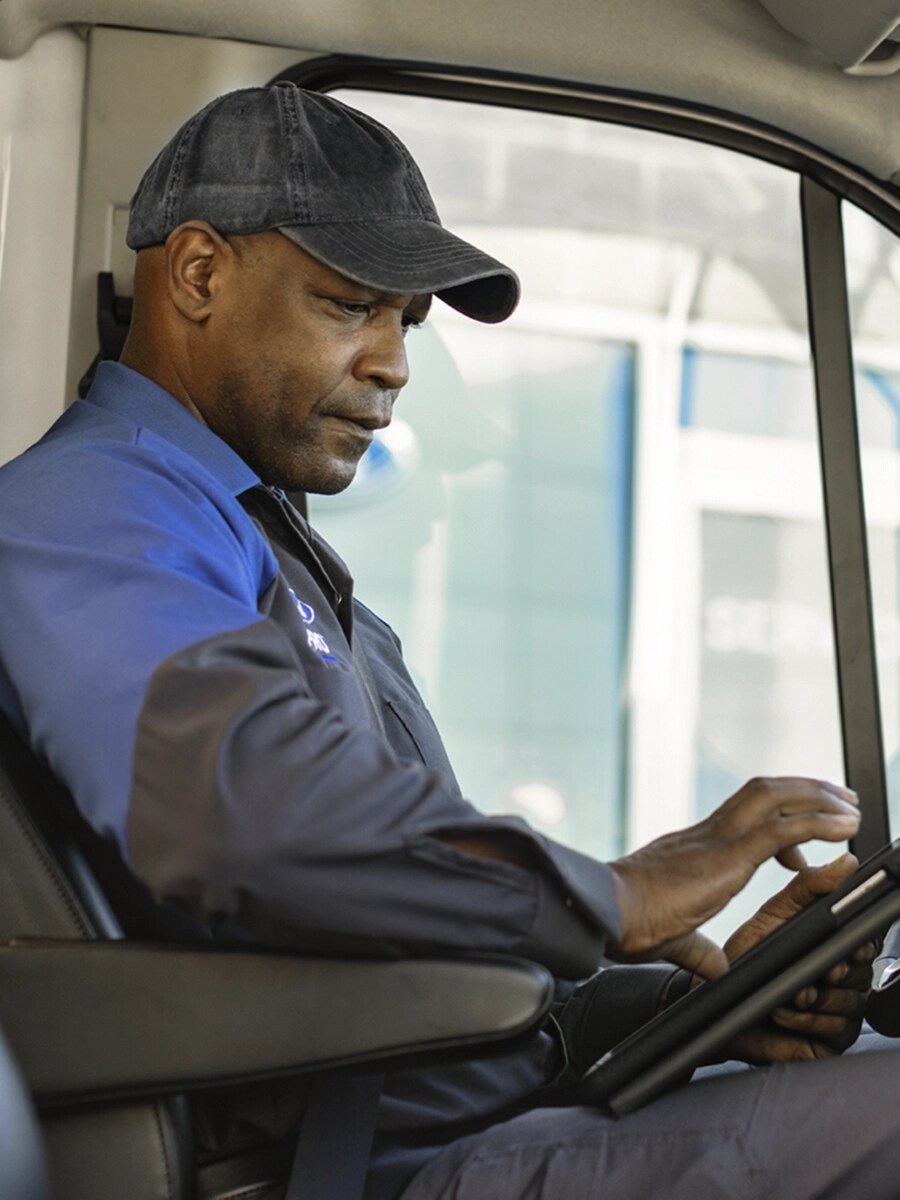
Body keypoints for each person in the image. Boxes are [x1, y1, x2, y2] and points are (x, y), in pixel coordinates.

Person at [0, 82, 896, 1200]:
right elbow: (249, 815)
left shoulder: (265, 546)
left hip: (497, 1102)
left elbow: (402, 936)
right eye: (347, 306)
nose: (394, 364)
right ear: (196, 275)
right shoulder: (93, 514)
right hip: (375, 1164)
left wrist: (683, 1007)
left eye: (407, 322)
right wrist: (610, 899)